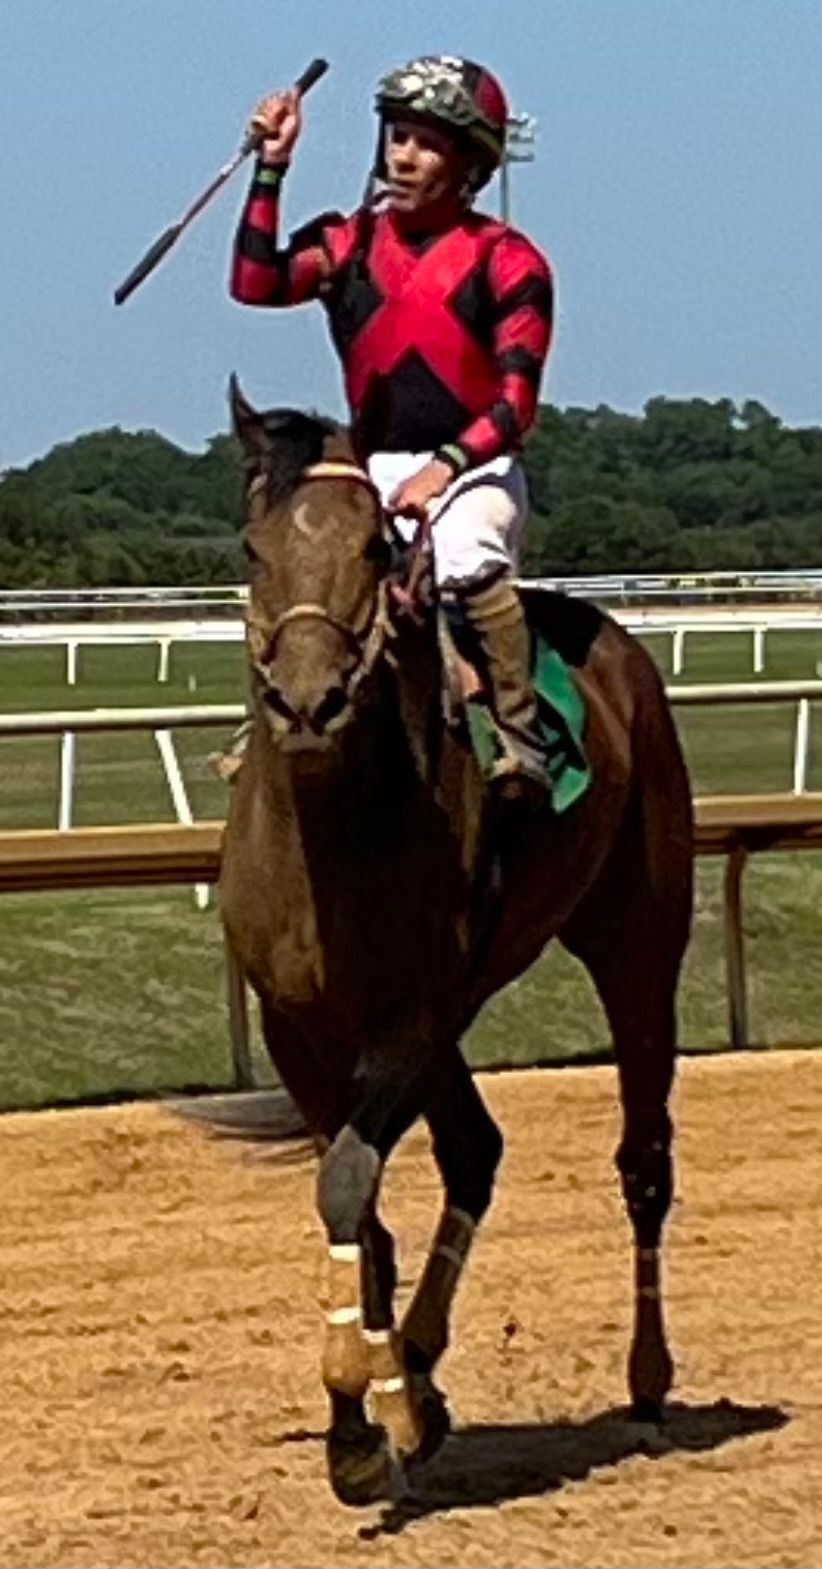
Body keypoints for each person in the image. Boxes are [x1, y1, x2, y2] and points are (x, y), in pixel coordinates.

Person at [229, 54, 555, 793]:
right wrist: (271, 171)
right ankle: (264, 731)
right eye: (398, 137)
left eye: (428, 143)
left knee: (467, 555)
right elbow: (254, 283)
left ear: (469, 162)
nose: (403, 156)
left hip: (476, 469)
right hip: (370, 467)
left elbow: (514, 405)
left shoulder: (508, 261)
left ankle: (517, 730)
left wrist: (442, 466)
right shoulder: (346, 243)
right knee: (302, 564)